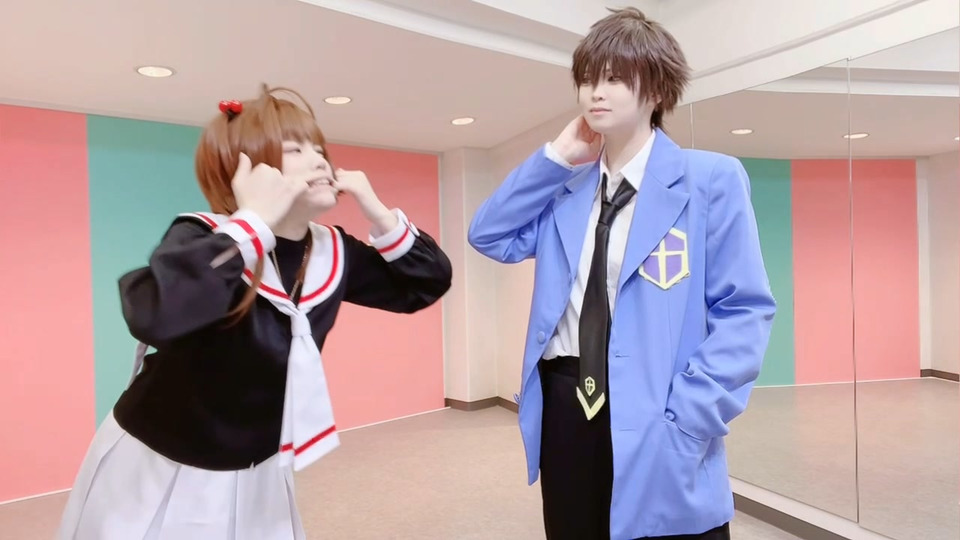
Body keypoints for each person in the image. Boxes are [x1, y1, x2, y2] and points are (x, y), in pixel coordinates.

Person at [57, 85, 452, 539]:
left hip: (259, 463)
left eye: (319, 149)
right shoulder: (208, 236)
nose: (320, 160)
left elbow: (425, 283)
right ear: (247, 169)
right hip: (162, 458)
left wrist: (378, 212)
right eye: (296, 149)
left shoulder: (331, 249)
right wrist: (253, 223)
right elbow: (156, 313)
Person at [468, 7, 776, 540]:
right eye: (588, 78)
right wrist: (558, 155)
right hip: (566, 403)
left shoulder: (710, 179)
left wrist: (690, 417)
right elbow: (488, 234)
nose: (595, 92)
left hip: (662, 405)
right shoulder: (566, 192)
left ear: (655, 89)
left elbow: (744, 311)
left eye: (613, 77)